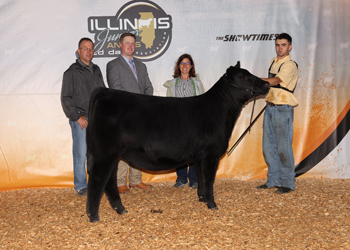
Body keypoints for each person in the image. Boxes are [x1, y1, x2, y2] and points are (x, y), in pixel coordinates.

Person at [106, 32, 153, 194]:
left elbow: (148, 87)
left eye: (133, 43)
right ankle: (120, 182)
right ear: (120, 45)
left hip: (142, 114)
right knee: (124, 148)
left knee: (138, 147)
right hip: (124, 115)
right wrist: (135, 106)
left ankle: (135, 180)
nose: (130, 46)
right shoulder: (113, 65)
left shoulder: (141, 65)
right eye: (127, 43)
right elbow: (116, 89)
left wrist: (144, 106)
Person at [61, 37, 105, 196]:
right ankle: (80, 185)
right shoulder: (71, 72)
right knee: (80, 152)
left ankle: (94, 183)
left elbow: (103, 93)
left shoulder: (97, 70)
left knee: (95, 153)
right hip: (81, 120)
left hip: (96, 119)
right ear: (79, 51)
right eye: (85, 48)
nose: (89, 51)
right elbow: (66, 98)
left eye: (91, 48)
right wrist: (77, 116)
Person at [256, 33, 298, 194]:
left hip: (283, 109)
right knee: (268, 147)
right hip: (270, 107)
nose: (280, 48)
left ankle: (288, 182)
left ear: (290, 47)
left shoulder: (290, 65)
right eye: (277, 45)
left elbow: (275, 81)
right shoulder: (274, 61)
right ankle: (273, 179)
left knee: (283, 147)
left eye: (283, 45)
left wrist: (255, 80)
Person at [163, 54, 205, 189]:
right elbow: (168, 105)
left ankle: (194, 179)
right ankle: (181, 178)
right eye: (182, 63)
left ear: (191, 66)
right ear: (178, 66)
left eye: (187, 63)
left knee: (194, 150)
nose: (185, 66)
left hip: (194, 122)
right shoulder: (172, 84)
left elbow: (202, 103)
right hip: (178, 122)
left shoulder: (197, 83)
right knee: (180, 151)